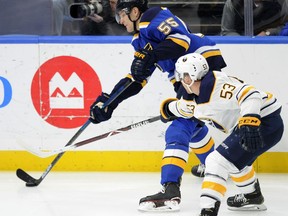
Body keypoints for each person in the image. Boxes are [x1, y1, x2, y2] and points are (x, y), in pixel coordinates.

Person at [89, 0, 227, 211]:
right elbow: (137, 78)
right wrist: (110, 102)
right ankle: (215, 164)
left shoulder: (152, 16)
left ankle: (170, 189)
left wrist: (151, 55)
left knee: (180, 126)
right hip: (186, 79)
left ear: (134, 12)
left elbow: (180, 40)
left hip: (202, 68)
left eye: (121, 16)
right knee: (194, 125)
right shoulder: (140, 40)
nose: (120, 21)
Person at [162, 53, 284, 215]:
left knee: (216, 161)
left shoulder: (216, 86)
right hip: (262, 124)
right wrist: (167, 109)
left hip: (264, 122)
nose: (180, 81)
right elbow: (183, 108)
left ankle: (208, 209)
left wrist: (249, 121)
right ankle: (252, 197)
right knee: (235, 162)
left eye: (181, 76)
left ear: (189, 76)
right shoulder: (195, 95)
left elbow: (251, 94)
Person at [221, 0, 288, 36]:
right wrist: (243, 41)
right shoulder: (232, 3)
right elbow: (227, 31)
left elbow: (284, 27)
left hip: (271, 47)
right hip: (240, 50)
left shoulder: (281, 3)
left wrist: (267, 33)